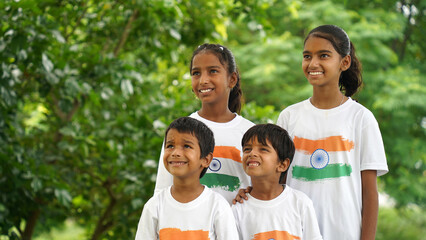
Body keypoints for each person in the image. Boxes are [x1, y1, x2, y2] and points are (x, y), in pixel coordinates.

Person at [275, 25, 389, 239]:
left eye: (324, 55)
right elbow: (277, 181)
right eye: (307, 56)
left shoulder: (361, 119)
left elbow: (370, 194)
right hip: (293, 232)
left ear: (344, 62)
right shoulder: (289, 117)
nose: (313, 63)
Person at [155, 43, 255, 204]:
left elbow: (263, 189)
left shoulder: (251, 132)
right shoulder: (181, 132)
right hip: (191, 227)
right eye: (196, 73)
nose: (203, 80)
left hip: (238, 228)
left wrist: (252, 196)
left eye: (213, 71)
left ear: (232, 79)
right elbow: (162, 190)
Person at [135, 117, 238, 240]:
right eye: (170, 145)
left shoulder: (218, 206)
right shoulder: (154, 206)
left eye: (187, 146)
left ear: (206, 160)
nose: (175, 153)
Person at [232, 124, 323, 240]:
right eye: (247, 149)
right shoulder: (238, 209)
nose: (252, 153)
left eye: (263, 149)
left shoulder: (300, 203)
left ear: (282, 165)